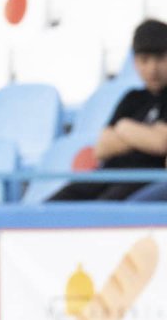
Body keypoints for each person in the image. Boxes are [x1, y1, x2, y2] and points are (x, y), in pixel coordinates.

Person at [50, 19, 167, 201]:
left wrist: (123, 128)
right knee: (55, 204)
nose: (152, 68)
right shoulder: (132, 98)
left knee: (102, 210)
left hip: (148, 179)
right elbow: (102, 148)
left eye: (159, 59)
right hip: (108, 174)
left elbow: (161, 143)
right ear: (135, 62)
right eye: (144, 60)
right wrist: (145, 137)